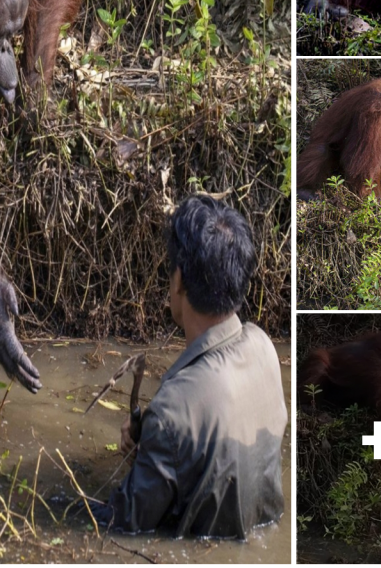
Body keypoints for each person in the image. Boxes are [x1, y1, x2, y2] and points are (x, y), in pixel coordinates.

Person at [91, 195, 287, 538]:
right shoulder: (264, 346)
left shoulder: (174, 411)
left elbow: (123, 524)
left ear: (178, 280)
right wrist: (151, 442)